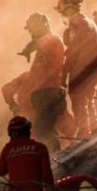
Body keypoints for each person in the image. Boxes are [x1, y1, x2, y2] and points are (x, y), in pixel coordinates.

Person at [55, 0, 97, 138]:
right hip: (94, 68)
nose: (62, 16)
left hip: (81, 69)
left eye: (63, 12)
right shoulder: (89, 22)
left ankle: (84, 135)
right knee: (89, 100)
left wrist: (64, 75)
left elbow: (72, 52)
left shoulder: (76, 26)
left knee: (78, 101)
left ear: (69, 11)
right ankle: (94, 130)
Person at [19, 13, 69, 152]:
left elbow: (40, 41)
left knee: (44, 130)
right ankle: (54, 155)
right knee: (44, 130)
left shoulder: (52, 39)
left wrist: (29, 48)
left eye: (32, 28)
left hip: (50, 92)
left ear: (43, 25)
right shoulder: (44, 48)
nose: (30, 32)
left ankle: (53, 157)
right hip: (42, 94)